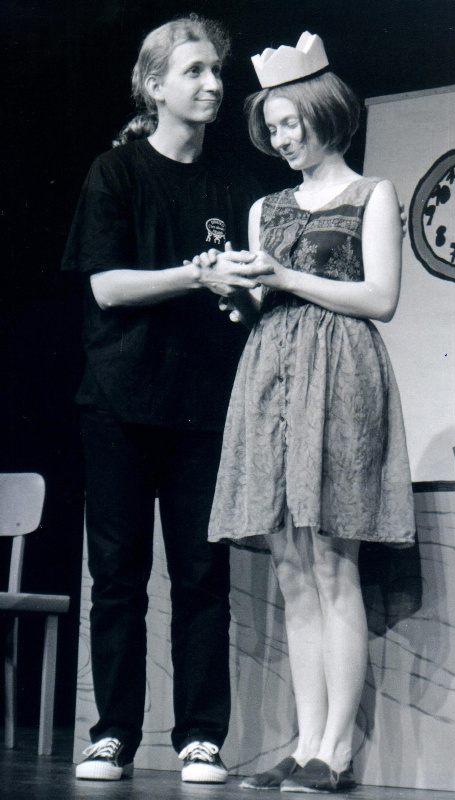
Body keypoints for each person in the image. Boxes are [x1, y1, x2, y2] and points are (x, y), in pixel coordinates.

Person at [62, 14, 272, 783]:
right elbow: (107, 287)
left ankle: (201, 737)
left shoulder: (234, 183)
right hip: (119, 401)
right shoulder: (116, 173)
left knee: (202, 577)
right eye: (195, 71)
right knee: (118, 577)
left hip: (205, 406)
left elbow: (246, 295)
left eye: (217, 70)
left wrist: (241, 294)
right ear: (154, 86)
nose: (213, 84)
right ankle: (113, 732)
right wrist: (196, 274)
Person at [208, 32, 418, 793]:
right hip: (271, 377)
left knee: (332, 563)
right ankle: (305, 745)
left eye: (292, 122)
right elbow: (261, 303)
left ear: (327, 114)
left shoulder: (372, 194)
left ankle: (338, 752)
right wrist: (234, 291)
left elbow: (380, 299)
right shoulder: (265, 207)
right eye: (274, 128)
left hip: (341, 375)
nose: (283, 139)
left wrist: (286, 276)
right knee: (293, 572)